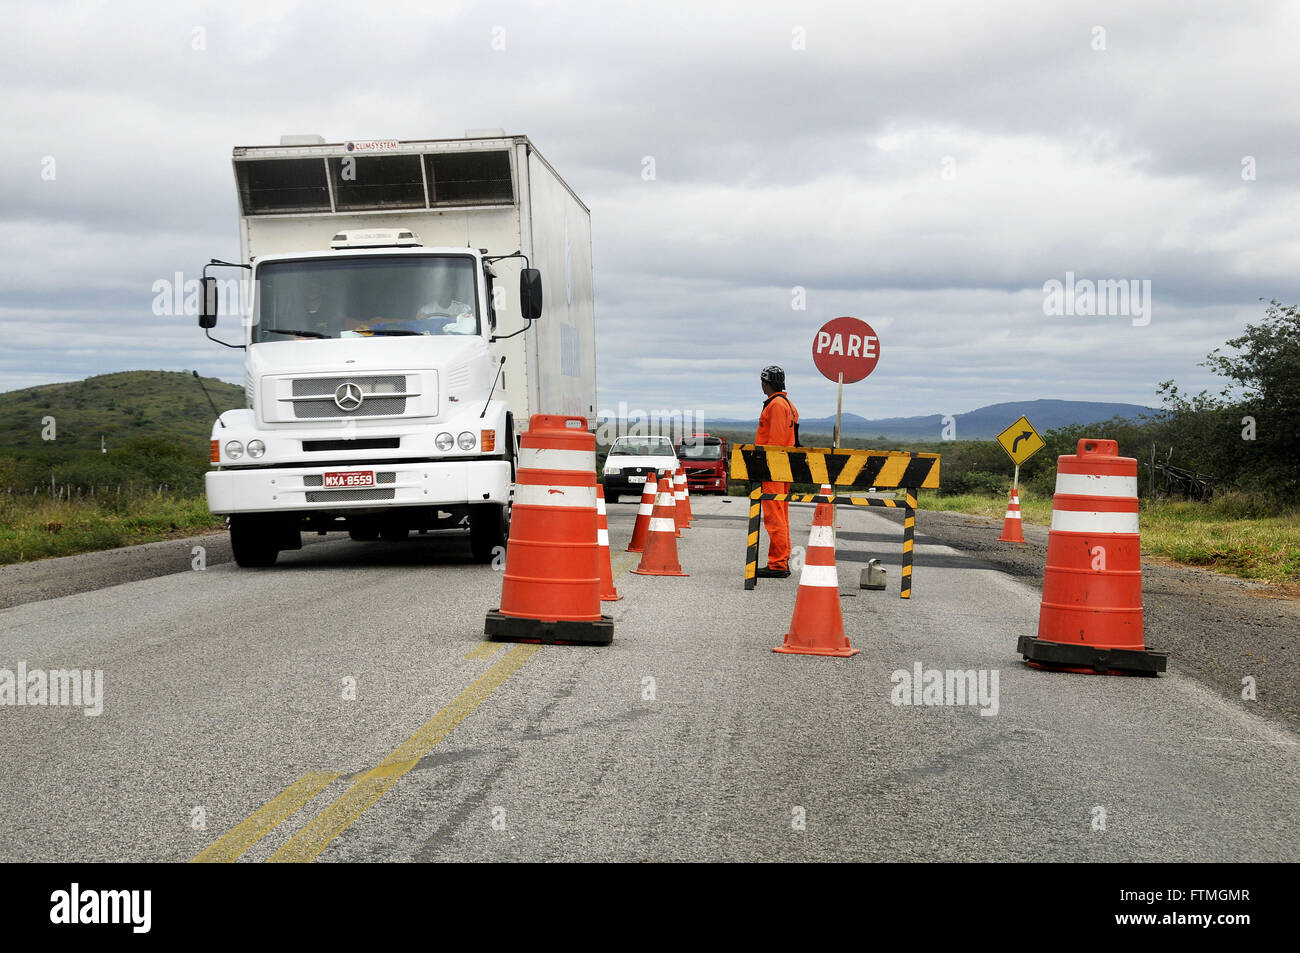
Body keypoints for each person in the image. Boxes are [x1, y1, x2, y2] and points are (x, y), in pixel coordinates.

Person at [756, 365, 799, 578]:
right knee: (781, 515)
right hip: (784, 468)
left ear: (766, 383)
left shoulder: (776, 406)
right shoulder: (789, 405)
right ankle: (780, 560)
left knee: (774, 517)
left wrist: (766, 465)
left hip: (773, 468)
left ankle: (779, 563)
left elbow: (774, 441)